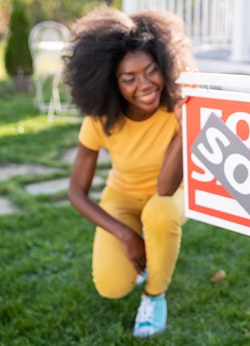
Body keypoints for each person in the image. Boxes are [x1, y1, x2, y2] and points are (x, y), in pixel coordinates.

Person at [65, 7, 194, 337]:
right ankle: (144, 255)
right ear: (110, 81)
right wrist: (126, 235)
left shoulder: (178, 107)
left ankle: (155, 295)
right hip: (122, 197)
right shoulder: (100, 118)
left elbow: (165, 189)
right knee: (110, 285)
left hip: (171, 194)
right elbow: (76, 193)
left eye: (152, 71)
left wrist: (183, 131)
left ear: (165, 64)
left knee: (161, 213)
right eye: (129, 78)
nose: (145, 84)